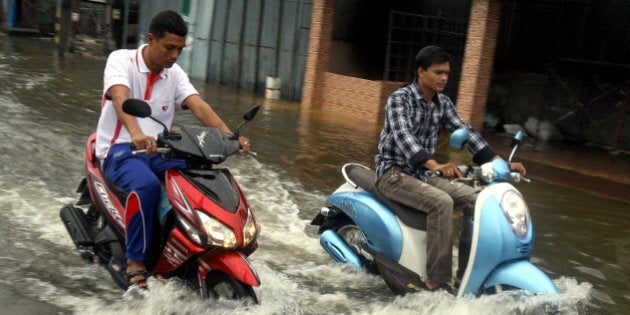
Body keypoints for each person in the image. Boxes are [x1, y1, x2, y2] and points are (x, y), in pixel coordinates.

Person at [94, 10, 251, 291]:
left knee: (198, 179)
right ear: (151, 39)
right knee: (146, 186)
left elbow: (198, 105)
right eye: (170, 47)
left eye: (180, 48)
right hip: (121, 149)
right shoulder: (121, 60)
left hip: (161, 151)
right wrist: (136, 133)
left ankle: (188, 247)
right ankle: (136, 262)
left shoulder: (174, 73)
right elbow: (120, 98)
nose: (175, 55)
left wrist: (230, 137)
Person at [374, 45, 525, 293]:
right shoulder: (399, 99)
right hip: (393, 174)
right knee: (441, 202)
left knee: (477, 201)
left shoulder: (442, 103)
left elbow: (468, 135)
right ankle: (436, 281)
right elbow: (404, 136)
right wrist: (433, 164)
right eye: (438, 72)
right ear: (421, 72)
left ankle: (465, 277)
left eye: (446, 73)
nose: (444, 78)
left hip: (421, 175)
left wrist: (500, 164)